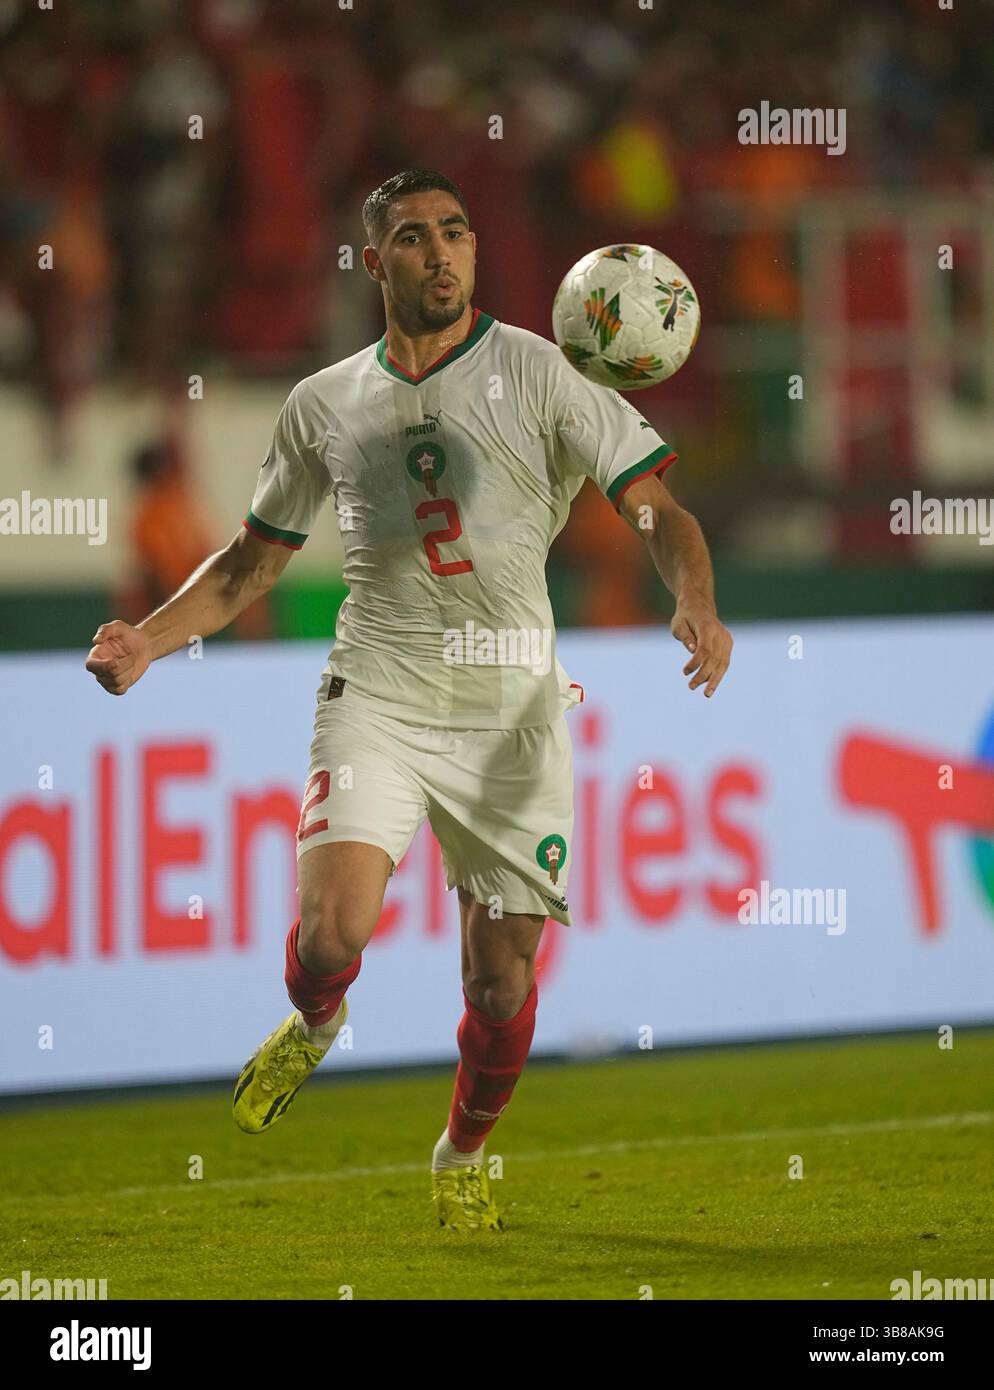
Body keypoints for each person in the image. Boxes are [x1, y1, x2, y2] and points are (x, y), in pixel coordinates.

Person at [85, 169, 733, 1231]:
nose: (441, 252)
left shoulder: (544, 373)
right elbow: (251, 562)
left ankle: (462, 1149)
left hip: (511, 711)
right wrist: (149, 640)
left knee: (501, 979)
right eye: (414, 237)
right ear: (374, 261)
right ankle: (316, 1017)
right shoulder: (323, 402)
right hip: (376, 690)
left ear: (475, 251)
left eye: (457, 232)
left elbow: (658, 512)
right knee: (334, 931)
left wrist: (697, 601)